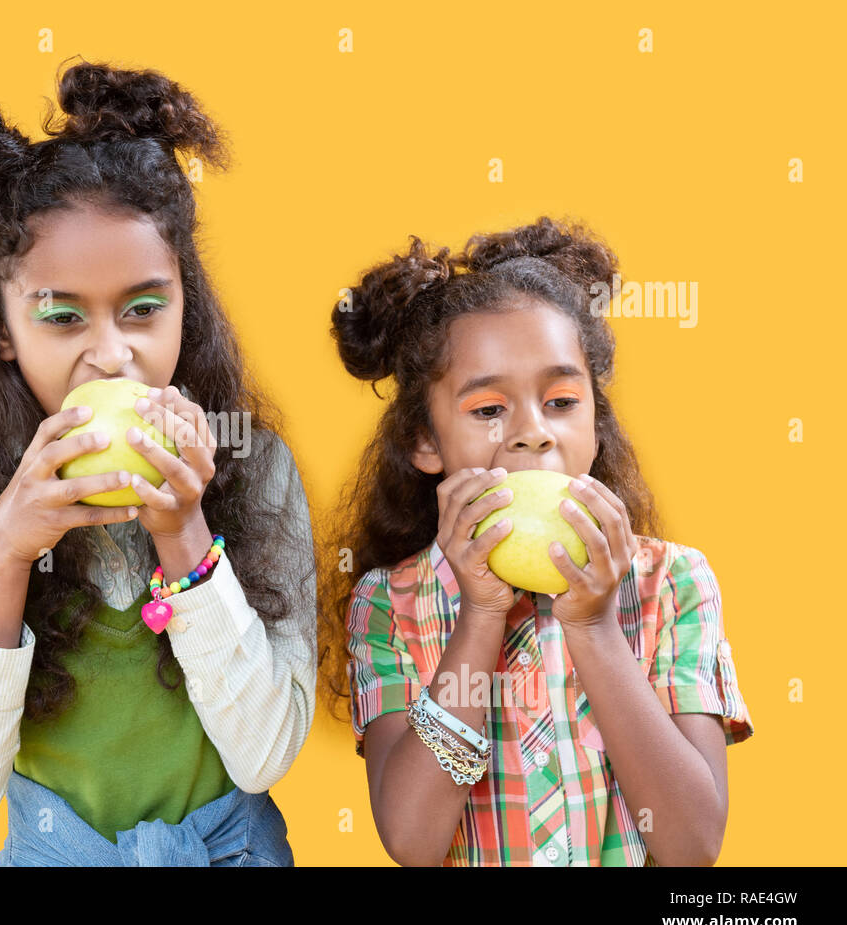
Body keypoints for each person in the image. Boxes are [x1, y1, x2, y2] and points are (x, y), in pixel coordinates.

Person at [0, 58, 316, 866]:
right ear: (3, 332)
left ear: (189, 306)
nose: (112, 356)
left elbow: (266, 758)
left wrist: (185, 534)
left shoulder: (258, 470)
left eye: (145, 309)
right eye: (62, 318)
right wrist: (5, 549)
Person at [318, 216, 754, 866]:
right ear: (426, 443)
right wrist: (481, 614)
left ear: (596, 425)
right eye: (489, 410)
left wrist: (596, 630)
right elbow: (412, 840)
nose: (533, 433)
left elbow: (692, 846)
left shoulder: (674, 585)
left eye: (561, 402)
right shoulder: (391, 604)